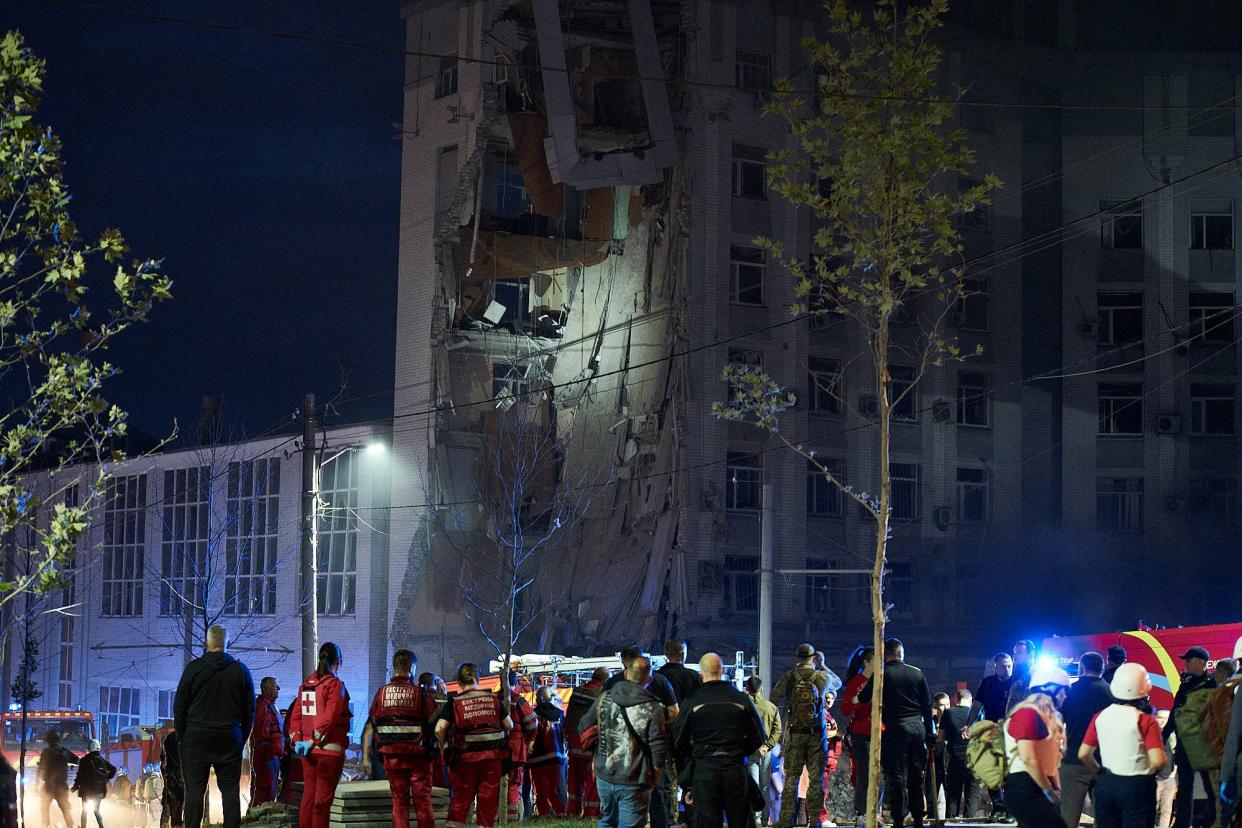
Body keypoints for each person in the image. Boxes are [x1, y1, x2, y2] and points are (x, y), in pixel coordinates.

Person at [172, 624, 255, 828]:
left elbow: (179, 706)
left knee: (194, 793)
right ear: (226, 643)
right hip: (229, 738)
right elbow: (250, 710)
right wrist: (240, 738)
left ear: (206, 642)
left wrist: (182, 737)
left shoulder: (193, 669)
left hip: (196, 738)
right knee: (229, 793)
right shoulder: (240, 670)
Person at [674, 653, 765, 828]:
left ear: (701, 673)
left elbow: (679, 741)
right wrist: (739, 753)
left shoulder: (692, 702)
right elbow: (759, 736)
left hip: (705, 772)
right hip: (736, 770)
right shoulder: (741, 699)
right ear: (722, 671)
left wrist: (698, 755)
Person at [578, 654, 668, 828]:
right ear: (649, 679)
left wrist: (596, 754)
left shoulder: (605, 698)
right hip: (634, 779)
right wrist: (654, 777)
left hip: (604, 775)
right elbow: (658, 749)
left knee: (607, 821)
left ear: (626, 673)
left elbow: (584, 726)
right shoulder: (652, 707)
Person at [1076, 663, 1166, 828]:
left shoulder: (1100, 716)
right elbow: (1159, 760)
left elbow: (1083, 753)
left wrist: (1099, 772)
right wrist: (1145, 771)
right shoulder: (1146, 720)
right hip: (1137, 786)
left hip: (1106, 784)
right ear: (1144, 688)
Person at [858, 638, 935, 828]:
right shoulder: (917, 674)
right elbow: (927, 705)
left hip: (895, 729)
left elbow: (864, 697)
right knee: (916, 774)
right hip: (917, 728)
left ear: (885, 654)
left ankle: (899, 818)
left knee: (896, 776)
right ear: (901, 653)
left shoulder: (882, 675)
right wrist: (930, 734)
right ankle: (918, 817)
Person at [434, 662, 514, 828]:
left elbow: (439, 729)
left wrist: (446, 746)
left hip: (464, 761)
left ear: (459, 682)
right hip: (492, 760)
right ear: (477, 678)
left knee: (461, 802)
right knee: (487, 802)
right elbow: (509, 725)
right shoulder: (493, 699)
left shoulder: (454, 702)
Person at [366, 649, 439, 828]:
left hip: (392, 758)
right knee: (423, 804)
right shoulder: (420, 694)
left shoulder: (381, 694)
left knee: (399, 804)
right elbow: (435, 723)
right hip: (419, 758)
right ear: (412, 669)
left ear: (394, 667)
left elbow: (373, 723)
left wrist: (370, 755)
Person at [289, 642, 352, 828]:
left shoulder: (306, 685)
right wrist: (313, 740)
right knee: (322, 805)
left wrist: (299, 741)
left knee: (308, 799)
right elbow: (330, 717)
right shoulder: (334, 685)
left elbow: (296, 717)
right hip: (329, 751)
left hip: (307, 754)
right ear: (338, 661)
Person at [1002, 664, 1071, 828]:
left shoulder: (1049, 717)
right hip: (1025, 785)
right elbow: (1029, 759)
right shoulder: (1028, 714)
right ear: (1050, 688)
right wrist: (1049, 792)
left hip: (1036, 783)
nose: (1066, 696)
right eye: (1064, 690)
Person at [771, 643, 829, 828]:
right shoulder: (821, 677)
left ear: (797, 657)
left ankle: (787, 820)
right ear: (813, 657)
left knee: (791, 779)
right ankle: (815, 822)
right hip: (816, 736)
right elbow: (838, 683)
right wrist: (823, 664)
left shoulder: (789, 677)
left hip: (795, 734)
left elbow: (773, 698)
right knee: (816, 779)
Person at [1059, 652, 1115, 828]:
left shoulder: (1069, 692)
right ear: (1102, 667)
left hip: (1074, 760)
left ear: (1081, 667)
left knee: (1068, 815)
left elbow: (1059, 724)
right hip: (1104, 763)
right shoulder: (1111, 693)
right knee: (1104, 817)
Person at [1165, 646, 1217, 828]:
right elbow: (1175, 712)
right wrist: (1164, 734)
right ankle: (1182, 823)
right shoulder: (1185, 683)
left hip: (1204, 746)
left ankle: (1213, 821)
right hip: (1185, 745)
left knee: (1210, 787)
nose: (1185, 663)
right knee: (1185, 789)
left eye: (1188, 660)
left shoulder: (1213, 684)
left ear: (1201, 662)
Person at [967, 652, 1017, 818]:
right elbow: (977, 704)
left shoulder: (1016, 683)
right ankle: (998, 806)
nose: (1007, 669)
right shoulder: (987, 683)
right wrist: (968, 724)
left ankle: (1010, 809)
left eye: (1009, 665)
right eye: (1003, 666)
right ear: (995, 667)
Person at [658, 640, 702, 824]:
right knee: (689, 778)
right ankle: (690, 817)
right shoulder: (694, 677)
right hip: (687, 737)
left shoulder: (657, 677)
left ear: (666, 654)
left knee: (665, 780)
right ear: (684, 654)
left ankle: (668, 817)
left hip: (663, 735)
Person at [840, 646, 878, 828]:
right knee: (864, 772)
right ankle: (862, 812)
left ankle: (876, 811)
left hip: (881, 732)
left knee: (880, 773)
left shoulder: (882, 681)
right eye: (876, 660)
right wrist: (857, 700)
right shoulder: (856, 682)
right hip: (862, 733)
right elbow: (846, 709)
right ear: (867, 663)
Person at [566, 666, 608, 818]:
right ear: (604, 680)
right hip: (590, 744)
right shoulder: (601, 695)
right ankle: (591, 813)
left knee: (574, 780)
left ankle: (572, 812)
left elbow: (569, 715)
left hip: (574, 742)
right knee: (592, 780)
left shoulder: (577, 692)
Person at [745, 677, 782, 826]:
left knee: (753, 784)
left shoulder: (744, 707)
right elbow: (777, 730)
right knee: (765, 786)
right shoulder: (771, 707)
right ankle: (766, 819)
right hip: (765, 751)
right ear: (761, 689)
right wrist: (767, 746)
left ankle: (756, 817)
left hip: (750, 751)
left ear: (747, 689)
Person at [503, 670, 538, 822]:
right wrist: (529, 742)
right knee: (513, 786)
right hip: (515, 750)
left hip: (496, 750)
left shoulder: (494, 699)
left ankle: (497, 818)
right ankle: (512, 820)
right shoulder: (518, 701)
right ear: (515, 682)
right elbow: (532, 725)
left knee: (495, 786)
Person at [528, 686, 568, 816]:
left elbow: (530, 735)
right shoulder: (561, 714)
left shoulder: (534, 715)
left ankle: (544, 815)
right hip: (557, 758)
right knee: (558, 790)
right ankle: (560, 814)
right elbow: (566, 735)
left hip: (537, 760)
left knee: (541, 792)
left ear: (541, 698)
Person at [941, 689, 980, 818]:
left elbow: (940, 737)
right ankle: (969, 823)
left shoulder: (948, 712)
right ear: (970, 700)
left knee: (953, 796)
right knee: (972, 796)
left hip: (955, 760)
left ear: (956, 699)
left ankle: (951, 823)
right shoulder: (976, 714)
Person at [250, 676, 284, 806]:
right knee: (266, 790)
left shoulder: (270, 706)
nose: (278, 689)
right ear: (266, 688)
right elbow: (261, 734)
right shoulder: (262, 707)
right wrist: (268, 751)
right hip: (267, 756)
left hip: (272, 755)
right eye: (275, 686)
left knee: (271, 790)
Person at [38, 730, 79, 828]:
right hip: (61, 786)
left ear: (48, 740)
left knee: (45, 809)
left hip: (48, 786)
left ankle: (45, 826)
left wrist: (37, 785)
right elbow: (77, 760)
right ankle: (70, 826)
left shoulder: (45, 752)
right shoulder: (64, 751)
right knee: (65, 809)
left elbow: (41, 769)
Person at [73, 739, 116, 828]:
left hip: (86, 791)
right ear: (98, 748)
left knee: (84, 811)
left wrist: (75, 787)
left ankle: (83, 827)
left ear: (89, 748)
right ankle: (101, 826)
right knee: (96, 810)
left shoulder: (84, 760)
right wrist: (106, 778)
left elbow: (80, 776)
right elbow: (113, 769)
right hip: (99, 791)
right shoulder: (101, 760)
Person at [926, 692, 950, 822]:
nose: (945, 708)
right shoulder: (931, 722)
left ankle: (948, 819)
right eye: (942, 705)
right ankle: (931, 817)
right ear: (936, 706)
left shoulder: (952, 720)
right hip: (934, 759)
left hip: (948, 760)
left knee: (949, 791)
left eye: (947, 704)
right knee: (931, 791)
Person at [1154, 710, 1176, 828]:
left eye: (1166, 718)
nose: (1163, 721)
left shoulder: (1172, 737)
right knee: (1152, 808)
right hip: (1155, 778)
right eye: (1160, 717)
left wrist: (1173, 774)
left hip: (1169, 778)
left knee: (1166, 811)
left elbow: (1174, 755)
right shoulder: (1151, 734)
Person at [159, 731, 184, 828]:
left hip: (172, 782)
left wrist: (166, 778)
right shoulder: (193, 736)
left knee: (171, 811)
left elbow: (164, 765)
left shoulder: (169, 739)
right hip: (190, 781)